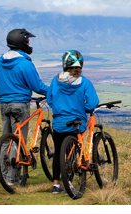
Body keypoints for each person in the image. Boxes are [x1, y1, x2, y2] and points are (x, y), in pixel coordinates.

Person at [47, 49, 99, 194]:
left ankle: (56, 184)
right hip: (78, 123)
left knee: (58, 152)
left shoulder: (55, 80)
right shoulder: (85, 83)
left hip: (59, 123)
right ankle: (73, 176)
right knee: (75, 148)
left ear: (64, 65)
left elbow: (50, 99)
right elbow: (91, 105)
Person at [0, 28, 47, 141]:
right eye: (27, 41)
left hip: (4, 103)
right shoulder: (25, 64)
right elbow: (37, 87)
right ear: (22, 43)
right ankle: (17, 158)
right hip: (20, 103)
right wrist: (53, 91)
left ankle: (3, 158)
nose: (29, 44)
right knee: (19, 139)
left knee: (6, 139)